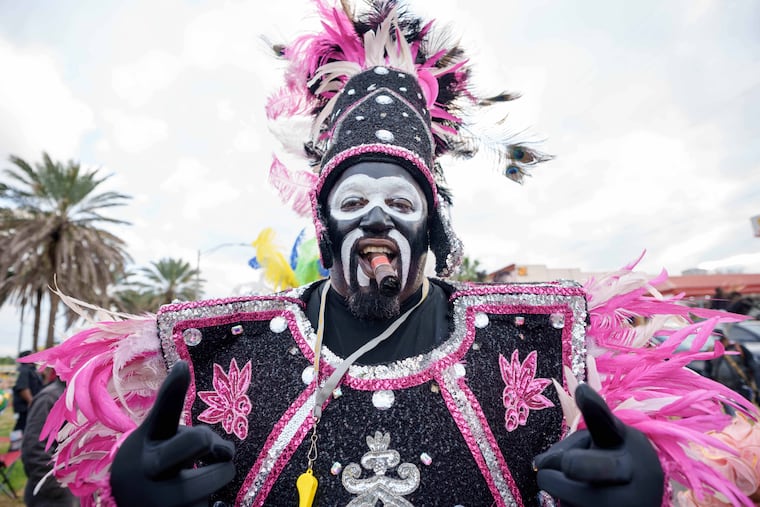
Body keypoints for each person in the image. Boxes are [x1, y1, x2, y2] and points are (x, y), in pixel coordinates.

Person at [24, 1, 759, 506]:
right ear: (324, 223)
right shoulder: (224, 354)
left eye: (401, 204)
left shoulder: (539, 346)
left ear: (433, 228)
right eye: (353, 202)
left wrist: (643, 481)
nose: (376, 215)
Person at [21, 368, 78, 507]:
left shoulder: (78, 395)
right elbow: (35, 451)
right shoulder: (49, 398)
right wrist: (60, 489)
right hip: (53, 497)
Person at [11, 350, 43, 449]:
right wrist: (32, 402)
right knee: (20, 427)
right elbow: (23, 388)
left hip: (29, 405)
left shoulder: (31, 370)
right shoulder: (24, 370)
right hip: (25, 406)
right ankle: (14, 449)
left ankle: (21, 448)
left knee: (25, 427)